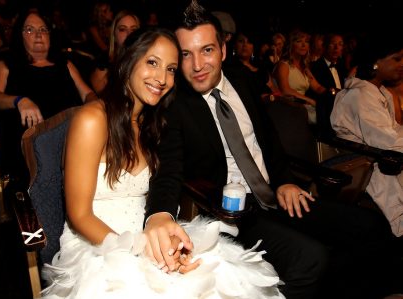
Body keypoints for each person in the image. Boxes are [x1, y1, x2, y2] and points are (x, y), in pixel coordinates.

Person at [144, 1, 403, 299]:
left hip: (277, 196)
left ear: (223, 50)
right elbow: (169, 170)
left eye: (207, 50)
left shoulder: (242, 82)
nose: (198, 65)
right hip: (234, 213)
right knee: (311, 257)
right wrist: (159, 214)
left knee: (371, 227)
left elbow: (268, 140)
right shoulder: (174, 106)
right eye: (186, 54)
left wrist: (285, 181)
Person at [40, 26, 285, 299]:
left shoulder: (153, 123)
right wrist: (139, 249)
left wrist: (166, 247)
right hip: (98, 243)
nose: (162, 78)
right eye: (152, 63)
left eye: (170, 69)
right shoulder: (92, 119)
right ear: (129, 60)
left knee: (221, 277)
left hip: (147, 232)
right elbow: (79, 215)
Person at [0, 9, 96, 185]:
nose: (38, 35)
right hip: (31, 139)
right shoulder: (7, 65)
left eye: (43, 29)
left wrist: (96, 107)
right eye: (29, 29)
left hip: (71, 136)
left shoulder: (65, 64)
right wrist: (19, 100)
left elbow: (88, 93)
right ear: (19, 35)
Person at [331, 33, 403, 239]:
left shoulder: (380, 92)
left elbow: (393, 131)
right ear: (376, 62)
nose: (402, 64)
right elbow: (386, 141)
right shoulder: (360, 94)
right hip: (363, 164)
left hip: (380, 153)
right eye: (397, 59)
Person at [90, 9, 141, 95]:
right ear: (114, 34)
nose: (129, 34)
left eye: (133, 30)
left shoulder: (146, 60)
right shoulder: (104, 63)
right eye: (122, 29)